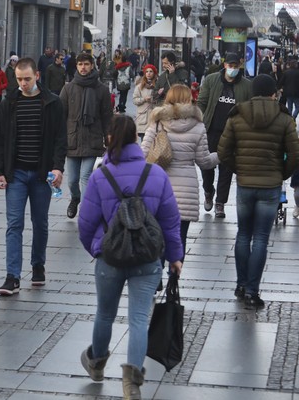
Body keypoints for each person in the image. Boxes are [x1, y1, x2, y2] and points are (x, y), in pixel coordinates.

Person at [77, 115, 183, 400]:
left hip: (110, 260)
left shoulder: (100, 176)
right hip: (147, 259)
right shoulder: (156, 174)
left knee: (105, 314)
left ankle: (97, 364)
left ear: (109, 139)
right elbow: (171, 221)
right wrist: (175, 256)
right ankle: (132, 384)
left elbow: (85, 224)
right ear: (136, 139)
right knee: (138, 319)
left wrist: (98, 248)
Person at [218, 74, 299, 309]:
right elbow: (295, 155)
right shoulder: (284, 118)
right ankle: (252, 291)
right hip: (270, 185)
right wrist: (282, 173)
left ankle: (241, 285)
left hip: (245, 184)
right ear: (274, 93)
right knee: (261, 237)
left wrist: (239, 169)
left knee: (243, 234)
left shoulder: (237, 115)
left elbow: (223, 152)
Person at [0, 57, 66, 292]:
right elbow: (0, 140)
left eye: (26, 79)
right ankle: (12, 276)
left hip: (41, 174)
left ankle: (38, 265)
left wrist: (58, 167)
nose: (22, 84)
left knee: (40, 222)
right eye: (18, 79)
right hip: (16, 174)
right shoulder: (9, 103)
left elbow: (59, 139)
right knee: (14, 224)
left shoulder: (52, 103)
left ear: (37, 76)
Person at [142, 85, 218, 265]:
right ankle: (174, 282)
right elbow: (205, 161)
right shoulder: (198, 126)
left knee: (157, 235)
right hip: (186, 190)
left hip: (159, 188)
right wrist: (222, 155)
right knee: (179, 238)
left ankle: (156, 277)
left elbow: (143, 154)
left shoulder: (157, 123)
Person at [197, 51, 252, 218]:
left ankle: (220, 203)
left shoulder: (246, 85)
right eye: (230, 66)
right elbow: (202, 102)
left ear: (239, 66)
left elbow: (249, 107)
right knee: (207, 166)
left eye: (236, 66)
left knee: (227, 168)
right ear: (225, 65)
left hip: (232, 134)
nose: (233, 69)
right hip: (211, 130)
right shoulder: (211, 80)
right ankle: (208, 190)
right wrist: (200, 120)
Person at [60, 52, 112, 219]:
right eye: (80, 64)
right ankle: (75, 198)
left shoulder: (101, 90)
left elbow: (107, 116)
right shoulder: (68, 88)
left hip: (93, 139)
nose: (83, 68)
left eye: (86, 64)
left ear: (92, 66)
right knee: (72, 180)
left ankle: (86, 210)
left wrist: (108, 136)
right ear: (76, 66)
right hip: (72, 139)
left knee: (85, 176)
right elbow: (60, 115)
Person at [132, 64, 157, 141]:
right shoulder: (139, 86)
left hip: (154, 117)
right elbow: (134, 100)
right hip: (143, 118)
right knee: (144, 143)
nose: (148, 73)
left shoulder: (157, 86)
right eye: (146, 71)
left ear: (154, 73)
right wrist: (144, 99)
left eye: (151, 71)